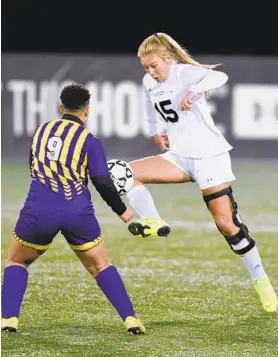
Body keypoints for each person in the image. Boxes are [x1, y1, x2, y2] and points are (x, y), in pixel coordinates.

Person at [126, 32, 277, 313]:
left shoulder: (184, 73)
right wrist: (156, 132)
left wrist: (193, 91)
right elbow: (151, 108)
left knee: (228, 225)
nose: (150, 72)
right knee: (124, 172)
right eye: (145, 67)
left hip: (209, 156)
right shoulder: (150, 81)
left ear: (167, 58)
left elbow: (220, 78)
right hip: (179, 157)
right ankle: (152, 219)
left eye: (154, 65)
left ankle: (261, 280)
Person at [1, 83, 145, 334]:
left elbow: (33, 167)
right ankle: (130, 318)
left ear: (60, 107)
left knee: (16, 261)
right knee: (101, 265)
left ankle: (8, 319)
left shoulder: (41, 131)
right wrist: (122, 210)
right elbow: (101, 180)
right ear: (86, 111)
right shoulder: (90, 141)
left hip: (39, 211)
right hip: (78, 213)